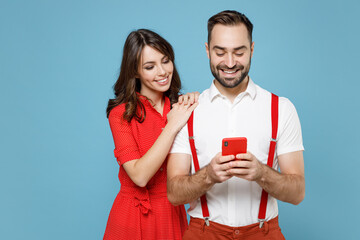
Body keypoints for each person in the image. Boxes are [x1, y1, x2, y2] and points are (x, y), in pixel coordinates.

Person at [167, 10, 305, 239]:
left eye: (239, 52)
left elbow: (297, 192)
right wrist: (209, 175)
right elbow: (174, 193)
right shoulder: (187, 111)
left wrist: (261, 173)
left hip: (264, 232)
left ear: (251, 49)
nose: (230, 63)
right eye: (220, 52)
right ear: (207, 50)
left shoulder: (281, 109)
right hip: (203, 232)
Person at [103, 29, 198, 240]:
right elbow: (139, 176)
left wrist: (201, 102)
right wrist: (172, 125)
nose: (162, 72)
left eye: (166, 61)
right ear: (135, 72)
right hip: (132, 217)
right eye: (150, 67)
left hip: (172, 212)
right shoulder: (121, 114)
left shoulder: (182, 107)